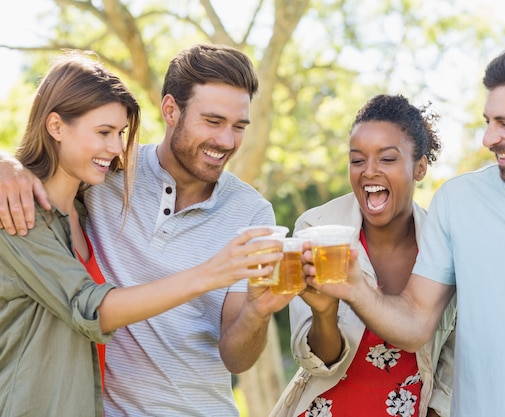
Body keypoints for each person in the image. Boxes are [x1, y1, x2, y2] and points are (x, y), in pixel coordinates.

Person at [299, 47, 505, 416]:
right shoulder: (459, 202)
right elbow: (415, 321)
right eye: (488, 121)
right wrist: (355, 289)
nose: (488, 138)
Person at [0, 44, 293, 416]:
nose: (227, 141)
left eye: (238, 127)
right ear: (171, 110)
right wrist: (7, 164)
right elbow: (89, 306)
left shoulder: (251, 212)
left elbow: (237, 359)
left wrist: (258, 311)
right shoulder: (106, 176)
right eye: (213, 121)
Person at [271, 95, 456, 417]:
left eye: (387, 159)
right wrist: (324, 313)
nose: (369, 172)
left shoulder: (444, 245)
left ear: (420, 167)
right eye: (357, 161)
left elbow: (452, 367)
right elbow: (319, 363)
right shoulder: (316, 229)